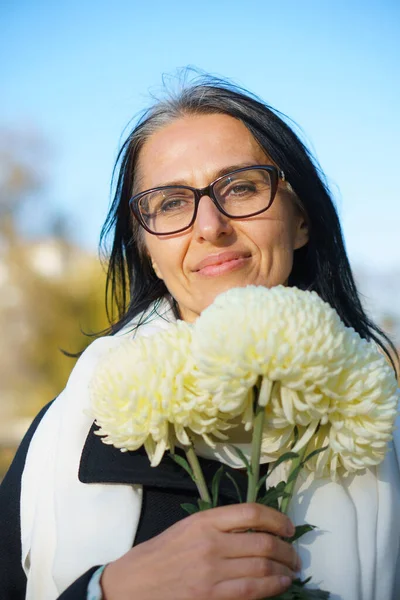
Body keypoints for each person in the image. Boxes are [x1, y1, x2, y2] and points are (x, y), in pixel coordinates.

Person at [0, 75, 399, 600]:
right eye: (169, 203)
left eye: (241, 187)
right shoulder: (70, 430)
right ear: (147, 251)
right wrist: (108, 591)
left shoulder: (382, 426)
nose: (209, 226)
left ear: (301, 221)